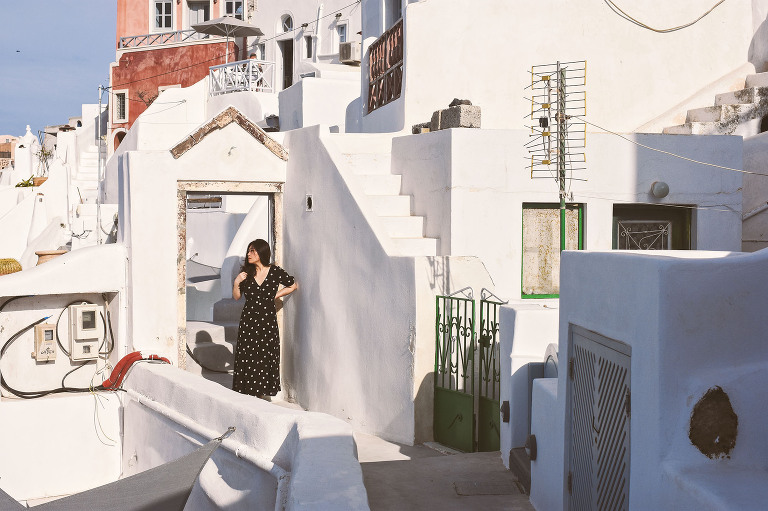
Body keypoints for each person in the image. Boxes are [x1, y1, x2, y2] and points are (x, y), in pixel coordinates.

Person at [232, 239, 298, 398]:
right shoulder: (246, 274)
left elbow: (292, 285)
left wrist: (275, 295)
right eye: (248, 251)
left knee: (265, 356)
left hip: (267, 322)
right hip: (249, 322)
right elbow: (236, 297)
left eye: (252, 251)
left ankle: (261, 393)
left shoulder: (274, 271)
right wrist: (236, 282)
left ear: (261, 252)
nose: (248, 254)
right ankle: (248, 393)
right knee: (248, 357)